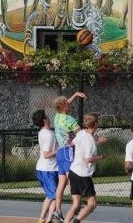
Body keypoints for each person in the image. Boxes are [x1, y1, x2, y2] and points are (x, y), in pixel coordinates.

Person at [64, 113, 105, 223]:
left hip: (73, 172)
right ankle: (76, 221)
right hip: (83, 175)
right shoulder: (90, 140)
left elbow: (72, 143)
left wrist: (96, 141)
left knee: (76, 204)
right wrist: (101, 157)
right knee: (92, 203)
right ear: (95, 124)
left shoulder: (81, 133)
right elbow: (88, 159)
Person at [52, 92, 86, 221]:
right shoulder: (69, 120)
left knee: (61, 183)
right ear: (64, 105)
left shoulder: (57, 116)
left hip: (60, 152)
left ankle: (57, 211)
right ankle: (76, 206)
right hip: (68, 151)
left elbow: (64, 103)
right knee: (72, 180)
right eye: (67, 103)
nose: (69, 103)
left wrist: (76, 95)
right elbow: (81, 134)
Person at [32, 109, 59, 223]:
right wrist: (60, 150)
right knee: (54, 196)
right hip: (48, 170)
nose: (49, 118)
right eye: (47, 116)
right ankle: (47, 219)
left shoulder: (43, 132)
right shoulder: (48, 134)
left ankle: (44, 219)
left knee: (51, 196)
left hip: (44, 169)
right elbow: (47, 154)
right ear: (44, 120)